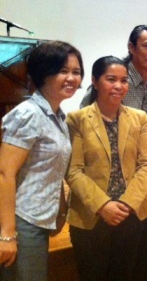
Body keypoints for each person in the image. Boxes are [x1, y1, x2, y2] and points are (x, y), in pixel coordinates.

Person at [81, 24, 147, 280]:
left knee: (141, 247)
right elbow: (87, 122)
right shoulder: (114, 78)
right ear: (131, 48)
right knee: (112, 253)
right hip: (111, 180)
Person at [66, 56, 147, 281]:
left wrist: (126, 203)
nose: (119, 86)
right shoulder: (77, 119)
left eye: (124, 80)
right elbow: (74, 171)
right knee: (92, 274)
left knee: (126, 273)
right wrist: (103, 205)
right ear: (95, 82)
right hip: (91, 213)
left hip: (132, 211)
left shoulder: (139, 118)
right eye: (111, 79)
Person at [0, 41, 84, 281]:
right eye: (62, 70)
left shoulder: (57, 116)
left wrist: (59, 209)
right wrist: (7, 235)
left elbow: (52, 170)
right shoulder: (28, 114)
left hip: (39, 220)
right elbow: (5, 173)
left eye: (76, 72)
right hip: (21, 220)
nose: (71, 78)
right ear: (43, 73)